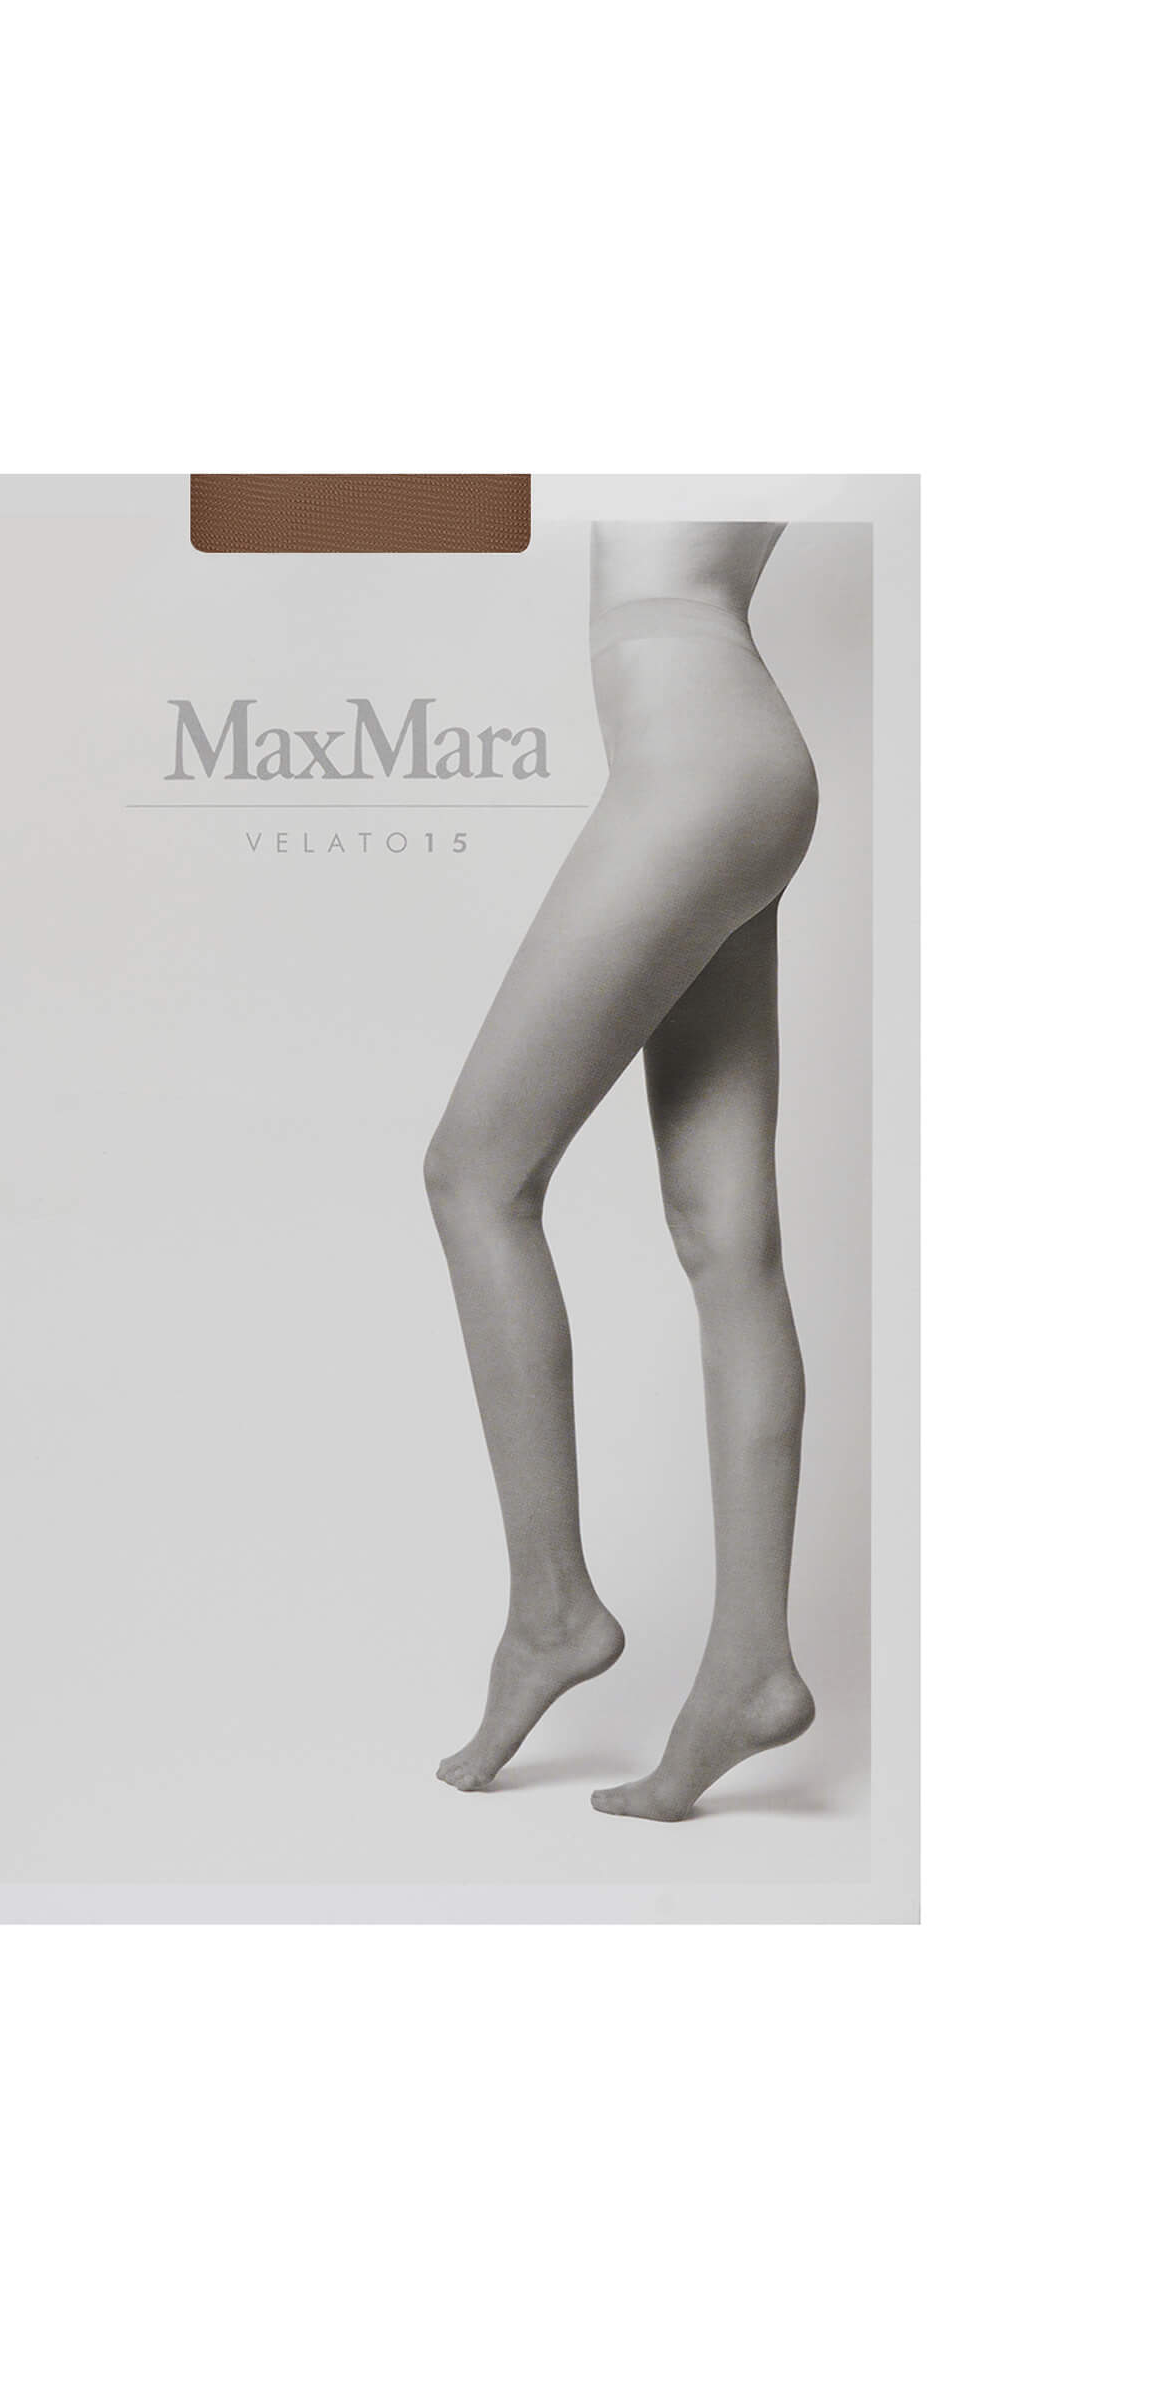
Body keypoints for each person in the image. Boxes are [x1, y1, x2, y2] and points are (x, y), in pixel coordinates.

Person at [425, 521, 820, 1818]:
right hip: (746, 752)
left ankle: (552, 1610)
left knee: (475, 1177)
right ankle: (752, 1666)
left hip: (692, 766)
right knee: (727, 1238)